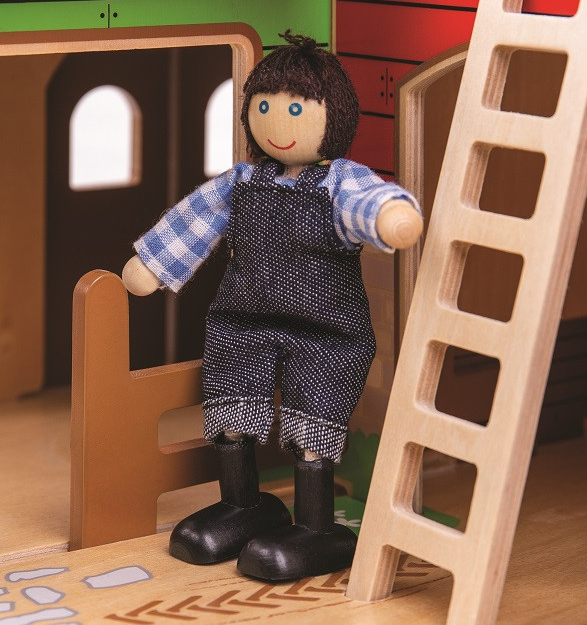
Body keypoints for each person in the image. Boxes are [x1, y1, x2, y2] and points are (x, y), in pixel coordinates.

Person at [121, 31, 423, 581]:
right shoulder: (242, 182)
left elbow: (369, 201)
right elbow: (196, 219)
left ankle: (315, 527)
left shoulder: (339, 182)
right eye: (263, 107)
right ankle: (242, 505)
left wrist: (391, 215)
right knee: (231, 409)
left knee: (313, 426)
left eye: (295, 108)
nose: (277, 122)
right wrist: (154, 263)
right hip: (244, 320)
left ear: (333, 116)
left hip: (327, 330)